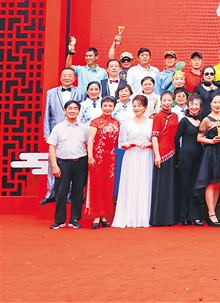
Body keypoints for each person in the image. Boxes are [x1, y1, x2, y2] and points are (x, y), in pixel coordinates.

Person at [42, 68, 86, 205]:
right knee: (53, 163)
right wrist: (47, 134)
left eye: (70, 76)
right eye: (65, 76)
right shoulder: (51, 93)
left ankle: (68, 194)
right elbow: (46, 114)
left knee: (72, 163)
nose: (67, 78)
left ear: (74, 78)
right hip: (56, 131)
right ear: (60, 78)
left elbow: (82, 114)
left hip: (74, 130)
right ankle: (50, 193)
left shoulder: (81, 93)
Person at [112, 95, 154, 228]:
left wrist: (149, 144)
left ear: (145, 107)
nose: (136, 108)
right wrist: (130, 145)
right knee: (131, 183)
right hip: (131, 156)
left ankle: (144, 216)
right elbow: (121, 143)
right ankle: (129, 216)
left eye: (139, 106)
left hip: (147, 156)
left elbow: (156, 140)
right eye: (134, 106)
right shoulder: (126, 123)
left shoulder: (152, 122)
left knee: (145, 183)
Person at [47, 100, 89, 229]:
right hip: (63, 163)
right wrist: (54, 165)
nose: (72, 111)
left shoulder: (84, 128)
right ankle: (59, 220)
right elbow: (52, 147)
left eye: (75, 108)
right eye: (70, 108)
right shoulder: (58, 128)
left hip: (80, 162)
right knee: (61, 192)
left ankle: (74, 219)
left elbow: (89, 145)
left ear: (79, 111)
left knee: (78, 191)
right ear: (64, 111)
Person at [194, 94, 220, 227]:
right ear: (210, 103)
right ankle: (211, 212)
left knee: (218, 182)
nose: (217, 105)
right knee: (211, 183)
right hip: (211, 152)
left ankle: (211, 212)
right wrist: (211, 141)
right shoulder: (206, 120)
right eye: (215, 102)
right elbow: (199, 138)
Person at [85, 97, 120, 228]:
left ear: (114, 107)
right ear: (101, 106)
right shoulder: (95, 122)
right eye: (105, 105)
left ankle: (104, 215)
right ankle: (96, 215)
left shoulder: (117, 123)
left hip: (110, 157)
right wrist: (90, 156)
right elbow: (90, 140)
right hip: (97, 156)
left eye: (110, 106)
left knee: (107, 185)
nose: (107, 108)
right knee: (97, 185)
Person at [150, 91, 179, 226]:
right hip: (162, 153)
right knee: (161, 185)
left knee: (171, 186)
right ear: (161, 102)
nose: (167, 103)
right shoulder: (158, 117)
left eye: (169, 100)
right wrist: (157, 155)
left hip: (173, 152)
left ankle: (170, 217)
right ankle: (159, 218)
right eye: (164, 100)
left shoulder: (175, 116)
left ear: (173, 101)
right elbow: (154, 137)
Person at [175, 95, 204, 226]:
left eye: (196, 104)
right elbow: (176, 139)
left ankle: (195, 216)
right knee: (185, 186)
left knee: (195, 186)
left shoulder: (203, 120)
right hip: (185, 156)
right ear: (188, 106)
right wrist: (178, 156)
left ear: (200, 107)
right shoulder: (184, 120)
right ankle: (184, 216)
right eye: (191, 104)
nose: (194, 107)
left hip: (199, 156)